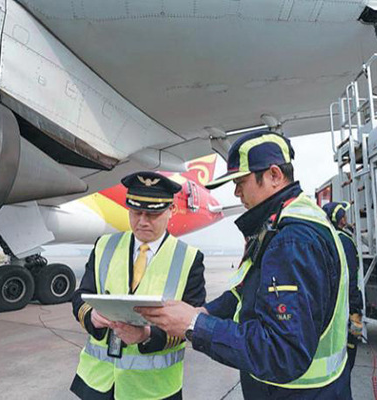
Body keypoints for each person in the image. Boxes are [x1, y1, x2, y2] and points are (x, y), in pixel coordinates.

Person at [138, 131, 351, 399]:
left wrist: (195, 324)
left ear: (274, 175)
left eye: (241, 181)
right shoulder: (281, 224)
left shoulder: (291, 241)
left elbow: (281, 353)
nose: (236, 192)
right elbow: (244, 293)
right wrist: (204, 311)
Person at [70, 171, 206, 400]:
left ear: (171, 210)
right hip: (98, 382)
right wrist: (91, 316)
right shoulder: (105, 245)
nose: (142, 221)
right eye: (136, 212)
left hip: (153, 389)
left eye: (152, 214)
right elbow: (81, 296)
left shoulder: (189, 259)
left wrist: (146, 335)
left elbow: (193, 324)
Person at [322, 202, 364, 373]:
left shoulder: (327, 238)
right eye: (343, 216)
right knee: (349, 351)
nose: (346, 219)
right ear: (339, 220)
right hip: (346, 307)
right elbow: (350, 279)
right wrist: (355, 310)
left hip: (332, 306)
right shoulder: (344, 241)